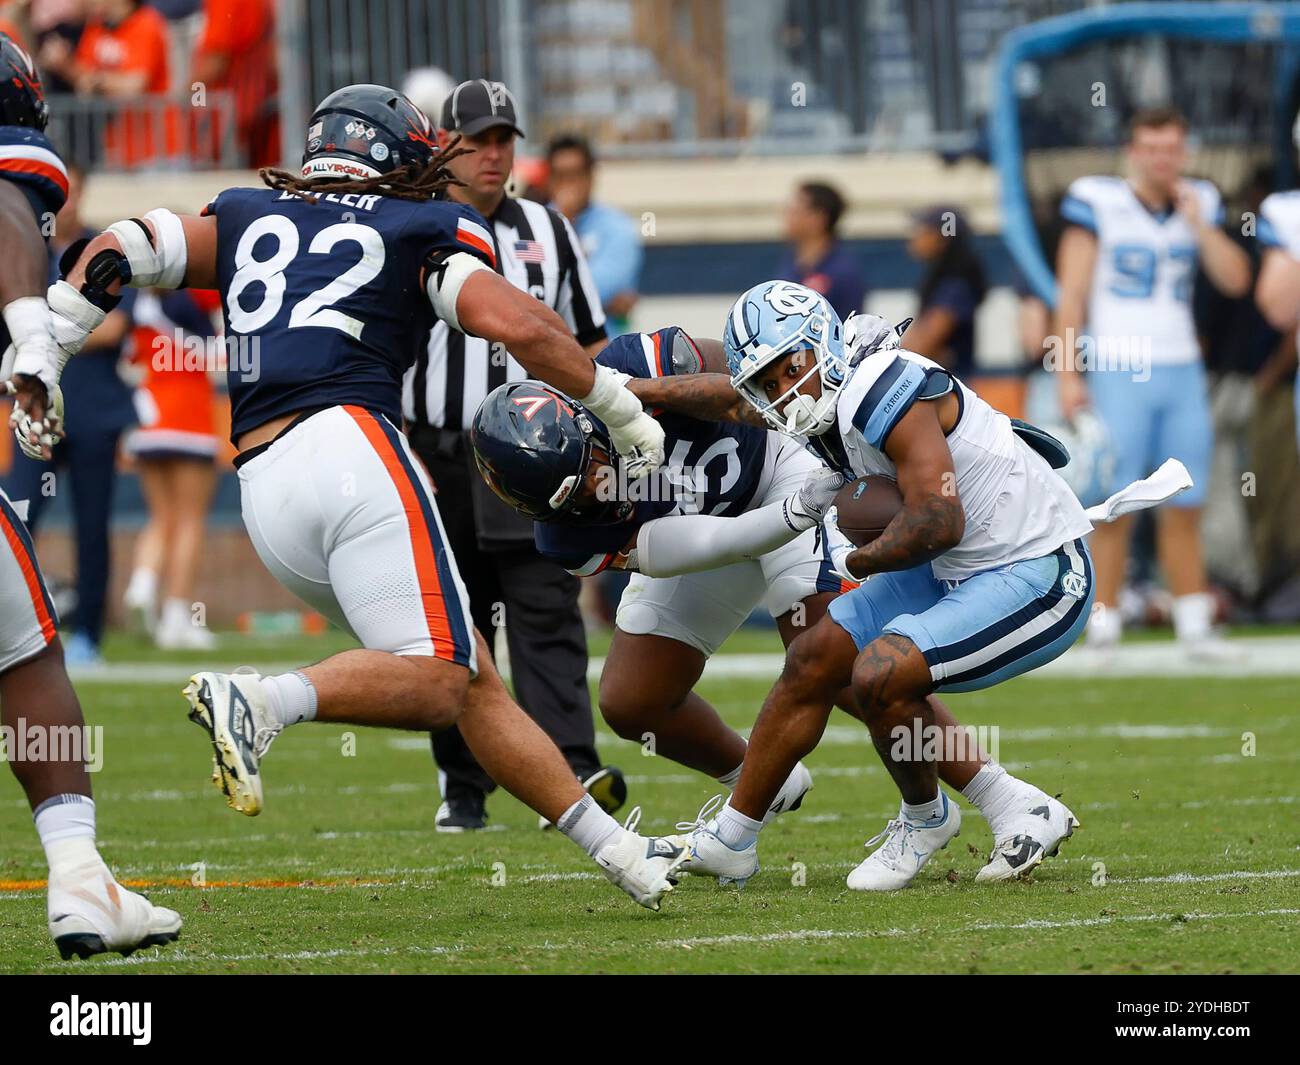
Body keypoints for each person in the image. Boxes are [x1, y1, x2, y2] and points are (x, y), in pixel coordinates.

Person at [54, 82, 685, 912]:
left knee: (471, 679)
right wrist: (619, 407)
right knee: (439, 679)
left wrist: (46, 346)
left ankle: (622, 854)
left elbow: (121, 247)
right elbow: (523, 328)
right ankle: (263, 698)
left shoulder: (247, 213)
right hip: (351, 451)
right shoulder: (419, 224)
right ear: (390, 156)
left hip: (266, 491)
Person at [617, 283, 1189, 890]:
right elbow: (733, 398)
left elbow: (940, 519)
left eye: (791, 367)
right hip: (959, 559)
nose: (782, 388)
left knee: (880, 673)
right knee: (815, 654)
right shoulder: (812, 392)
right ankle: (733, 839)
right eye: (767, 377)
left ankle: (924, 818)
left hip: (1037, 570)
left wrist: (860, 557)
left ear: (821, 348)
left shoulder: (880, 389)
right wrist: (631, 391)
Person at [471, 326, 1078, 885]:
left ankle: (987, 797)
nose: (596, 488)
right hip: (709, 534)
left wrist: (634, 391)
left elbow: (744, 389)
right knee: (633, 701)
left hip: (786, 474)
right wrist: (779, 522)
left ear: (582, 417)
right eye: (572, 496)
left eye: (589, 468)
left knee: (833, 660)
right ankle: (762, 777)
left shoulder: (626, 368)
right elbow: (676, 549)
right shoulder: (561, 536)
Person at [0, 31, 181, 958]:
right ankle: (76, 880)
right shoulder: (13, 176)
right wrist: (34, 336)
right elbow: (3, 210)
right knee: (28, 660)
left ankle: (83, 881)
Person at [403, 79, 619, 833]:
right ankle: (464, 786)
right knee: (455, 621)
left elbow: (588, 337)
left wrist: (608, 424)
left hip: (536, 452)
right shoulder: (412, 223)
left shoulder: (548, 229)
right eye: (479, 139)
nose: (495, 154)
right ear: (446, 144)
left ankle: (574, 766)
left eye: (505, 139)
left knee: (546, 604)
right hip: (435, 448)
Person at [1054, 108, 1251, 656]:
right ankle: (1102, 622)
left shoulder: (1200, 201)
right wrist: (1069, 373)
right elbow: (1070, 294)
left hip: (1181, 364)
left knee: (1187, 499)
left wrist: (1200, 226)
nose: (1163, 160)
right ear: (1133, 151)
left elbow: (1236, 280)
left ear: (1183, 152)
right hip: (1118, 364)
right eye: (1152, 148)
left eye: (1173, 149)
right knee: (1116, 501)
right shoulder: (1099, 200)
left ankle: (1193, 622)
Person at [1, 161, 136, 668]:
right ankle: (16, 627)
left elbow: (116, 329)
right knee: (18, 515)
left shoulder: (101, 250)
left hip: (93, 411)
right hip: (32, 412)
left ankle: (89, 636)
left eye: (73, 193)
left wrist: (34, 335)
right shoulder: (20, 242)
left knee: (93, 528)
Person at [121, 285, 221, 648]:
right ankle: (176, 617)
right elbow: (218, 350)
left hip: (148, 416)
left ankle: (142, 585)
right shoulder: (190, 298)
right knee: (190, 520)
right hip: (190, 414)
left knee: (161, 518)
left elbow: (131, 359)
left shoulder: (138, 302)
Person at [38, 0, 178, 170]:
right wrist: (65, 65)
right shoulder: (96, 27)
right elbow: (83, 80)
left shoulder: (146, 23)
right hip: (116, 148)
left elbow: (133, 87)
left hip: (155, 150)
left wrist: (93, 79)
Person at [548, 133, 643, 337]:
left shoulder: (618, 227)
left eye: (575, 174)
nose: (569, 184)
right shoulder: (535, 222)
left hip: (608, 353)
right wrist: (562, 220)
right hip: (551, 351)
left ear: (591, 175)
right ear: (549, 179)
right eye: (560, 175)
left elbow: (593, 290)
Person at [901, 205, 987, 380]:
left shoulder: (955, 285)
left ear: (943, 238)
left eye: (924, 230)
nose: (916, 236)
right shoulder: (944, 279)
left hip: (945, 388)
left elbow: (922, 345)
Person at [775, 180, 865, 321]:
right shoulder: (790, 263)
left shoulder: (843, 272)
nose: (787, 217)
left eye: (795, 211)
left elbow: (852, 327)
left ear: (818, 218)